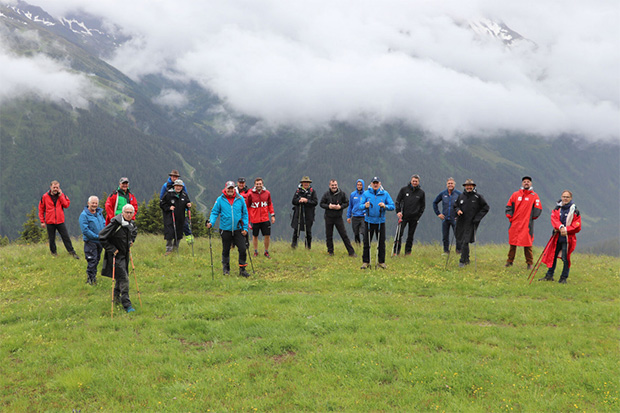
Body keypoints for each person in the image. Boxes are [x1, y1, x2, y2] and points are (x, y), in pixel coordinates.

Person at [207, 181, 251, 277]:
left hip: (238, 229)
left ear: (234, 188)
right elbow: (214, 212)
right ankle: (226, 269)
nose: (230, 190)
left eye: (232, 188)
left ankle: (242, 269)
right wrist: (211, 222)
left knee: (243, 248)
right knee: (226, 249)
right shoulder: (220, 199)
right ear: (225, 189)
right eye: (229, 188)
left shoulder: (240, 199)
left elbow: (245, 214)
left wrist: (245, 228)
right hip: (225, 229)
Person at [99, 204, 138, 313]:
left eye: (131, 212)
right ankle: (127, 305)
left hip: (125, 255)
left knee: (119, 278)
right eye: (127, 212)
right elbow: (102, 236)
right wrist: (112, 249)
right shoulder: (115, 223)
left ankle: (116, 299)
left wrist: (131, 241)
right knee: (124, 278)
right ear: (122, 212)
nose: (129, 214)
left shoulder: (131, 224)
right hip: (115, 256)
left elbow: (134, 232)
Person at [540, 191, 581, 284]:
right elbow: (554, 219)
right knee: (552, 256)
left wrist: (566, 230)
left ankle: (563, 277)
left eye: (567, 197)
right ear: (561, 197)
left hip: (568, 238)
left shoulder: (575, 211)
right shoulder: (557, 208)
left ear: (571, 198)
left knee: (566, 258)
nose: (565, 198)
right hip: (557, 237)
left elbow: (577, 226)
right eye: (563, 197)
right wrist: (560, 227)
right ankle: (549, 275)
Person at [505, 176, 543, 269]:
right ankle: (509, 261)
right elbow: (509, 206)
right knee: (512, 243)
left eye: (528, 182)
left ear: (531, 184)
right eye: (525, 181)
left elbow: (538, 209)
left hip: (527, 224)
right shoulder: (515, 195)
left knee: (528, 244)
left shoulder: (534, 196)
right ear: (522, 183)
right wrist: (511, 218)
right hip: (515, 224)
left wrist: (531, 218)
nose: (526, 183)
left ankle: (529, 263)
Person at [358, 177, 395, 269]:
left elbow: (392, 206)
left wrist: (385, 206)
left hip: (380, 222)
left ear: (380, 183)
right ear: (371, 184)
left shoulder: (385, 194)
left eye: (377, 183)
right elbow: (359, 206)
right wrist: (364, 206)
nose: (375, 184)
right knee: (367, 242)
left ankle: (381, 262)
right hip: (368, 221)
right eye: (374, 183)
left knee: (381, 243)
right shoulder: (366, 193)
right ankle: (365, 262)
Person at [38, 180, 79, 259]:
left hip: (60, 221)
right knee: (51, 239)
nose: (55, 189)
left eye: (57, 187)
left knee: (66, 237)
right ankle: (54, 254)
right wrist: (42, 221)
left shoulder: (62, 195)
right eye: (54, 187)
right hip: (50, 221)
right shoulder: (45, 196)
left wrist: (61, 196)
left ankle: (72, 253)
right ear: (50, 187)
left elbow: (66, 205)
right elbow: (41, 209)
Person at [454, 179, 490, 267]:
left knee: (465, 241)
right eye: (467, 185)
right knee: (462, 240)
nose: (469, 187)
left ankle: (462, 261)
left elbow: (486, 207)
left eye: (470, 185)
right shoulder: (461, 196)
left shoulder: (478, 197)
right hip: (461, 222)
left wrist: (477, 218)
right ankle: (467, 260)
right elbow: (455, 206)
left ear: (473, 186)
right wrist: (458, 210)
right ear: (465, 186)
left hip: (472, 223)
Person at [320, 180, 356, 256]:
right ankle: (330, 252)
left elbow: (347, 203)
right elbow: (321, 204)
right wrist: (329, 206)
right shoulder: (326, 194)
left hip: (338, 217)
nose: (334, 187)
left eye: (335, 185)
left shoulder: (342, 194)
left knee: (344, 235)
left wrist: (340, 207)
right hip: (328, 217)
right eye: (332, 185)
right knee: (329, 235)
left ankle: (351, 252)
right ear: (329, 186)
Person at [394, 174, 426, 255]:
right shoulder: (404, 190)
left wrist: (418, 216)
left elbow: (423, 206)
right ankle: (396, 251)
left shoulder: (421, 193)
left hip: (414, 218)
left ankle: (408, 252)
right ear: (411, 181)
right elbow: (397, 201)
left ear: (418, 182)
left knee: (410, 236)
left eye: (416, 181)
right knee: (399, 234)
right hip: (403, 216)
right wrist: (398, 212)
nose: (414, 183)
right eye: (413, 181)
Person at [160, 169, 194, 243]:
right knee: (169, 228)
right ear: (171, 176)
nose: (175, 178)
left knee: (182, 226)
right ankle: (169, 248)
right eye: (173, 176)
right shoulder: (166, 186)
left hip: (181, 211)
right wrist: (168, 207)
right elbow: (162, 198)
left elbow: (185, 197)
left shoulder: (182, 185)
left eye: (176, 177)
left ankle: (189, 241)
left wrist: (186, 204)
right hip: (170, 211)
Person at [246, 177, 276, 258]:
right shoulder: (250, 194)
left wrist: (272, 215)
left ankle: (266, 251)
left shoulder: (267, 193)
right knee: (255, 235)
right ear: (254, 185)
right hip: (254, 219)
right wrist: (248, 218)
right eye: (257, 184)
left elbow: (270, 204)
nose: (258, 185)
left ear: (262, 184)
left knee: (267, 235)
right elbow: (247, 206)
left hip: (265, 218)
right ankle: (255, 251)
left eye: (260, 184)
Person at [79, 196, 105, 285]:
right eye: (92, 203)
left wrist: (105, 235)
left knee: (97, 260)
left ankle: (93, 278)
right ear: (88, 203)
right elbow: (85, 231)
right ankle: (89, 280)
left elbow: (104, 224)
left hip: (100, 242)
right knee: (92, 260)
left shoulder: (99, 213)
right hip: (90, 242)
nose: (94, 205)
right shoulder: (84, 215)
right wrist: (97, 236)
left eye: (96, 203)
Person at [433, 177, 462, 254]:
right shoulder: (443, 194)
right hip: (445, 218)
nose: (450, 185)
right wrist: (438, 213)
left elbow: (463, 204)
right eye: (449, 183)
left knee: (458, 236)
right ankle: (446, 251)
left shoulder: (458, 194)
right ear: (446, 184)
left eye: (451, 183)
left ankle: (458, 251)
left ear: (454, 184)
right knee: (445, 237)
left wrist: (460, 214)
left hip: (455, 218)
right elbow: (434, 202)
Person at [291, 176, 318, 249]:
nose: (306, 184)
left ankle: (308, 247)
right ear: (302, 183)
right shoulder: (298, 191)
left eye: (307, 182)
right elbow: (293, 201)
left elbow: (315, 202)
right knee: (296, 231)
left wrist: (306, 201)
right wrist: (299, 200)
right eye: (305, 182)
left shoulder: (312, 191)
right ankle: (293, 246)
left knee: (308, 232)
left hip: (309, 215)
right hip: (298, 214)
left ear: (309, 183)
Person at [347, 179, 366, 244]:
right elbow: (350, 206)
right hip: (355, 216)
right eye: (358, 185)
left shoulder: (365, 194)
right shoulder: (353, 194)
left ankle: (365, 245)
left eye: (360, 185)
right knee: (356, 233)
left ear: (363, 185)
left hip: (363, 216)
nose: (359, 186)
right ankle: (358, 245)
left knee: (364, 232)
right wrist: (348, 216)